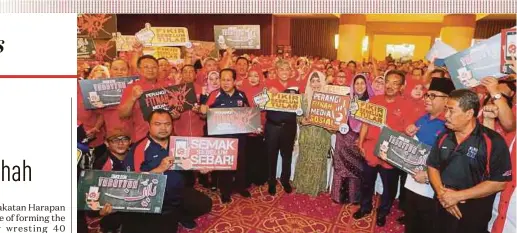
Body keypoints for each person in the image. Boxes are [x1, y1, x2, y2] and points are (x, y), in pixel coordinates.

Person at [426, 89, 512, 233]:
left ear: (469, 114)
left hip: (473, 211)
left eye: (451, 111)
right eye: (446, 109)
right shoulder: (444, 136)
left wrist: (458, 196)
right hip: (442, 202)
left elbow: (500, 182)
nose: (445, 115)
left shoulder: (493, 141)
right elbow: (432, 166)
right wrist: (443, 195)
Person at [124, 109, 212, 232]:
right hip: (156, 199)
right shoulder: (139, 149)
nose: (163, 128)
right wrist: (159, 169)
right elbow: (132, 182)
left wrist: (201, 168)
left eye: (167, 124)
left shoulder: (180, 143)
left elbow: (190, 163)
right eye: (158, 124)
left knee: (205, 204)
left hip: (179, 192)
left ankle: (181, 215)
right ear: (149, 126)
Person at [354, 70, 412, 227]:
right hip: (370, 148)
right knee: (366, 182)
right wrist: (360, 143)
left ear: (401, 87)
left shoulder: (407, 105)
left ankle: (383, 212)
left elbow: (408, 132)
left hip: (391, 153)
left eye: (395, 83)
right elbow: (365, 123)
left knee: (389, 187)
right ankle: (365, 207)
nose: (390, 86)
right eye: (388, 82)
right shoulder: (374, 100)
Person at [401, 78, 455, 233]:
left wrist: (428, 175)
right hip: (412, 182)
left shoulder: (450, 124)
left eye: (433, 96)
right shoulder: (423, 118)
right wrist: (409, 134)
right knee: (411, 220)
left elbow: (453, 160)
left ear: (447, 100)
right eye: (427, 95)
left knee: (428, 225)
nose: (427, 99)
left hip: (432, 188)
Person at [201, 68, 253, 203]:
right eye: (222, 79)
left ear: (234, 81)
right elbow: (204, 114)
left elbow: (248, 114)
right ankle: (225, 192)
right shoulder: (214, 95)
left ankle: (241, 187)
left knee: (241, 163)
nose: (225, 83)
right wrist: (204, 111)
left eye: (228, 80)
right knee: (225, 165)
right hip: (222, 138)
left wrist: (254, 125)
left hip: (239, 137)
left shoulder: (241, 95)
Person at [330, 74, 374, 203]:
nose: (359, 86)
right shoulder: (346, 99)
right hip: (343, 136)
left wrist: (362, 137)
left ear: (367, 85)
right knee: (340, 166)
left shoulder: (371, 102)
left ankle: (354, 197)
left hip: (360, 139)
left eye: (362, 83)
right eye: (357, 83)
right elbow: (336, 115)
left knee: (357, 168)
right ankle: (339, 196)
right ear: (353, 85)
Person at [264, 59, 301, 196]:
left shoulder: (295, 86)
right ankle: (271, 182)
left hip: (289, 126)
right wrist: (268, 95)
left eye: (287, 69)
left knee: (287, 155)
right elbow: (260, 105)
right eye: (282, 69)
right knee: (271, 155)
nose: (284, 72)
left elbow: (299, 107)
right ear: (276, 71)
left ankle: (285, 180)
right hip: (273, 126)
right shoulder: (268, 85)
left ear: (290, 72)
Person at [294, 71, 332, 196]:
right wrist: (301, 120)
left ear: (322, 82)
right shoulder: (303, 98)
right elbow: (298, 114)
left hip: (322, 135)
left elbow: (334, 117)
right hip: (307, 135)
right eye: (313, 81)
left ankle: (315, 188)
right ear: (309, 83)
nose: (315, 84)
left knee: (318, 161)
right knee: (305, 159)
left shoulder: (329, 99)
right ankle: (302, 185)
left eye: (318, 80)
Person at [87, 128, 132, 233]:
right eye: (115, 140)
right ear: (107, 143)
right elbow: (91, 193)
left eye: (124, 139)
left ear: (129, 142)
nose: (120, 143)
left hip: (134, 212)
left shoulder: (137, 157)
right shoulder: (100, 164)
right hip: (111, 215)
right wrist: (99, 212)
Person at [118, 55, 170, 142]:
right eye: (146, 67)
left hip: (165, 137)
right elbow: (122, 114)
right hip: (141, 137)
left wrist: (174, 114)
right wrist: (133, 98)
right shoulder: (132, 87)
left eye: (154, 67)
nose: (150, 70)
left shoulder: (166, 86)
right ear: (138, 70)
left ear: (158, 69)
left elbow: (172, 109)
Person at [240, 67, 268, 187]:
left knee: (258, 154)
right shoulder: (241, 91)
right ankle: (247, 179)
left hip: (260, 127)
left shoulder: (265, 91)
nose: (253, 78)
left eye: (256, 76)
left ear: (260, 78)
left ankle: (258, 177)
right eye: (250, 75)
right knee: (246, 155)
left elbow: (267, 110)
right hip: (245, 129)